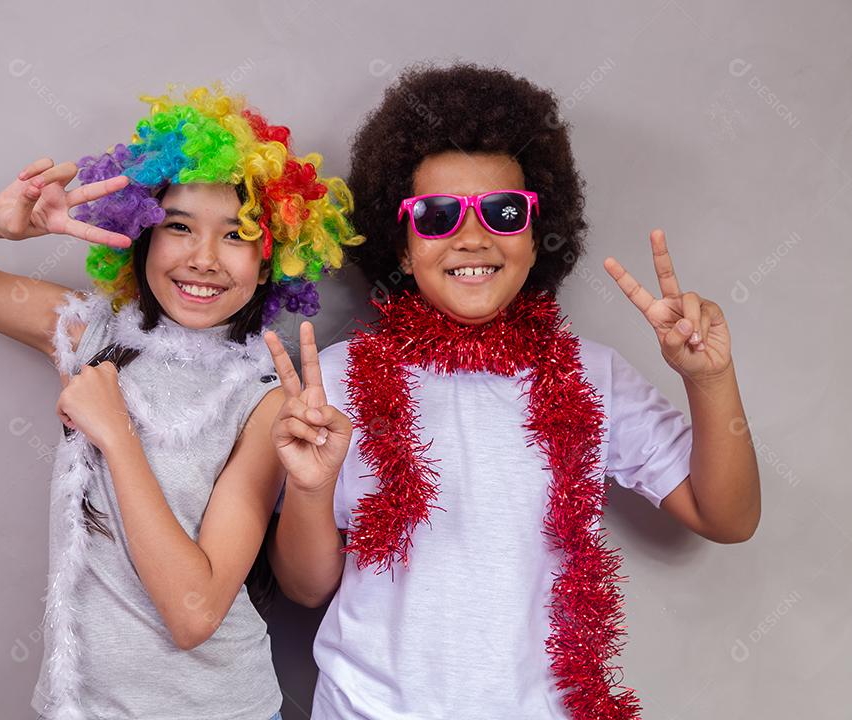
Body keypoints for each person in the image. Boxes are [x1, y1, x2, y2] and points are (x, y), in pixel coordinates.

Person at [265, 63, 761, 719]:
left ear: (536, 235)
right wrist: (307, 486)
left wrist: (709, 381)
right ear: (404, 246)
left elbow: (727, 518)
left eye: (503, 212)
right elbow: (304, 589)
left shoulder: (592, 376)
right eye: (438, 215)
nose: (473, 236)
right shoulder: (335, 379)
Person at [0, 84, 361, 720]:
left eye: (236, 235)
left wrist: (116, 436)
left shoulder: (263, 406)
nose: (203, 258)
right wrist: (0, 220)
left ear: (268, 262)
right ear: (142, 236)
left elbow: (195, 614)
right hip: (78, 704)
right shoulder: (87, 335)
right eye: (178, 227)